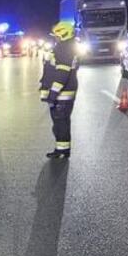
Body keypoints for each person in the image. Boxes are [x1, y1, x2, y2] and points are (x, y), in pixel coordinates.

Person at [39, 21, 79, 158]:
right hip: (64, 93)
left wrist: (53, 93)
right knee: (61, 123)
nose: (54, 37)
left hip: (62, 95)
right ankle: (61, 149)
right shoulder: (67, 47)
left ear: (63, 34)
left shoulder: (64, 48)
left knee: (60, 123)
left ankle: (62, 151)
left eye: (56, 35)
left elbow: (62, 73)